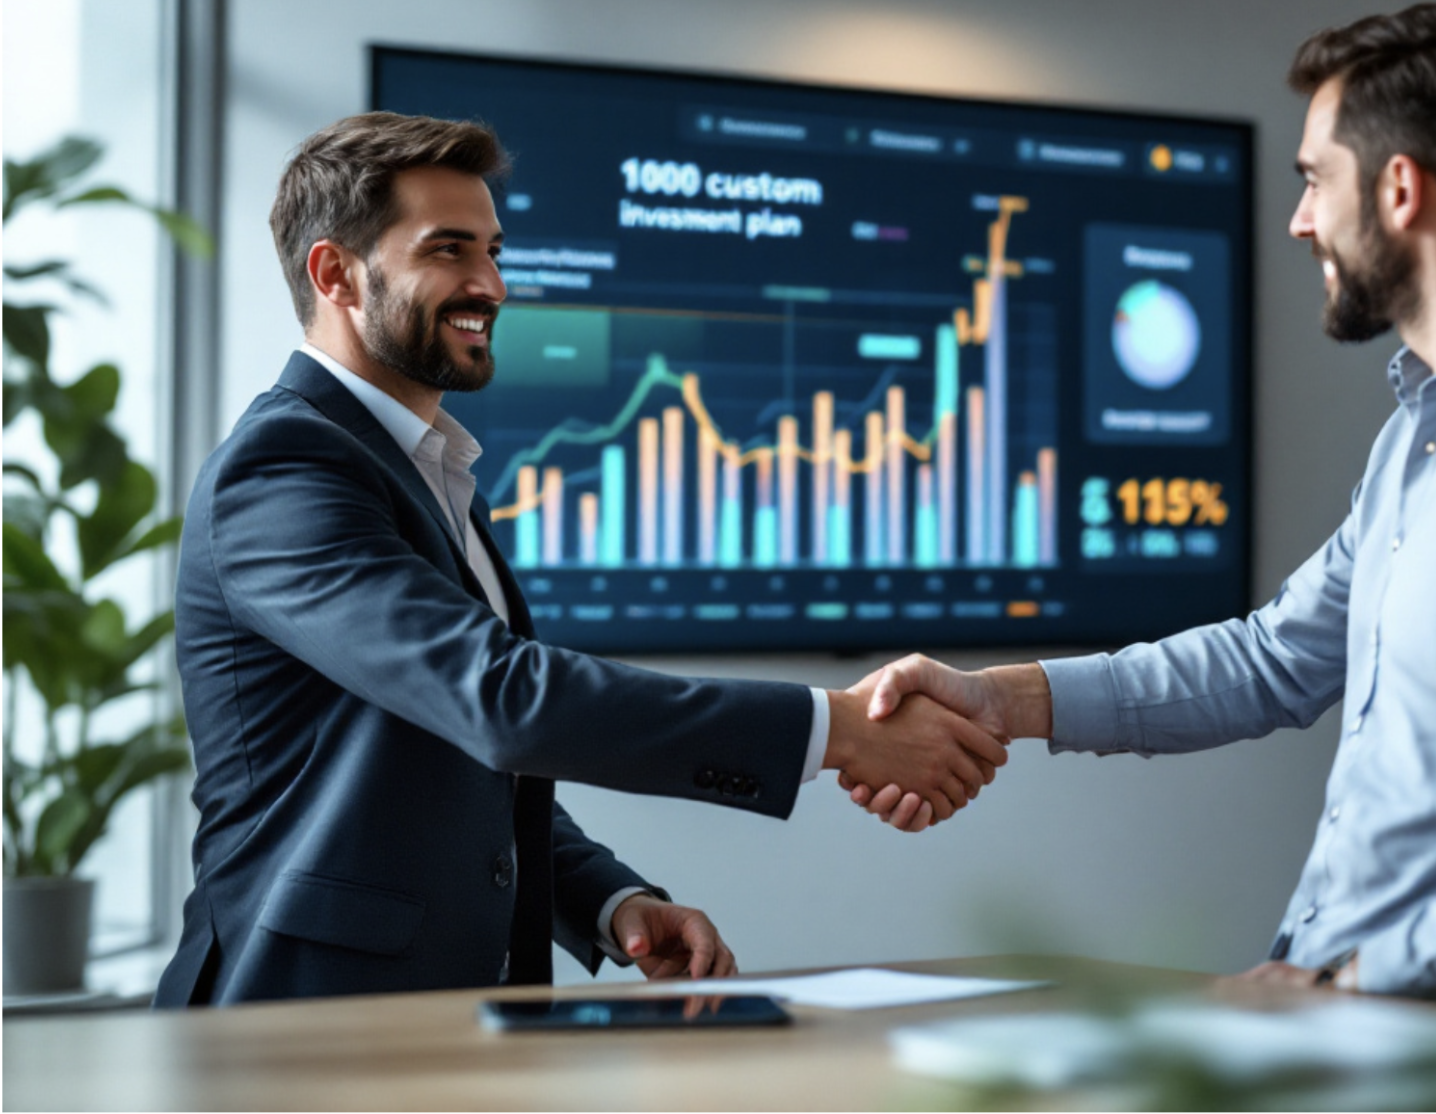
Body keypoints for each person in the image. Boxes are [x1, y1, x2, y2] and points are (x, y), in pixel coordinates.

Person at [847, 4, 1436, 1002]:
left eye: (1315, 180)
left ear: (1399, 189)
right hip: (1356, 1018)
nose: (1299, 220)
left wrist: (1351, 984)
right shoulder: (1427, 431)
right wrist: (1002, 700)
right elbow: (1273, 658)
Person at [155, 113, 1007, 1007]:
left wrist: (608, 901)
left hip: (443, 1019)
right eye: (448, 250)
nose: (490, 284)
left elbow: (451, 762)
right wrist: (838, 730)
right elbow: (501, 700)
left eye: (493, 251)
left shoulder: (428, 471)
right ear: (335, 274)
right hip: (299, 1021)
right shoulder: (285, 467)